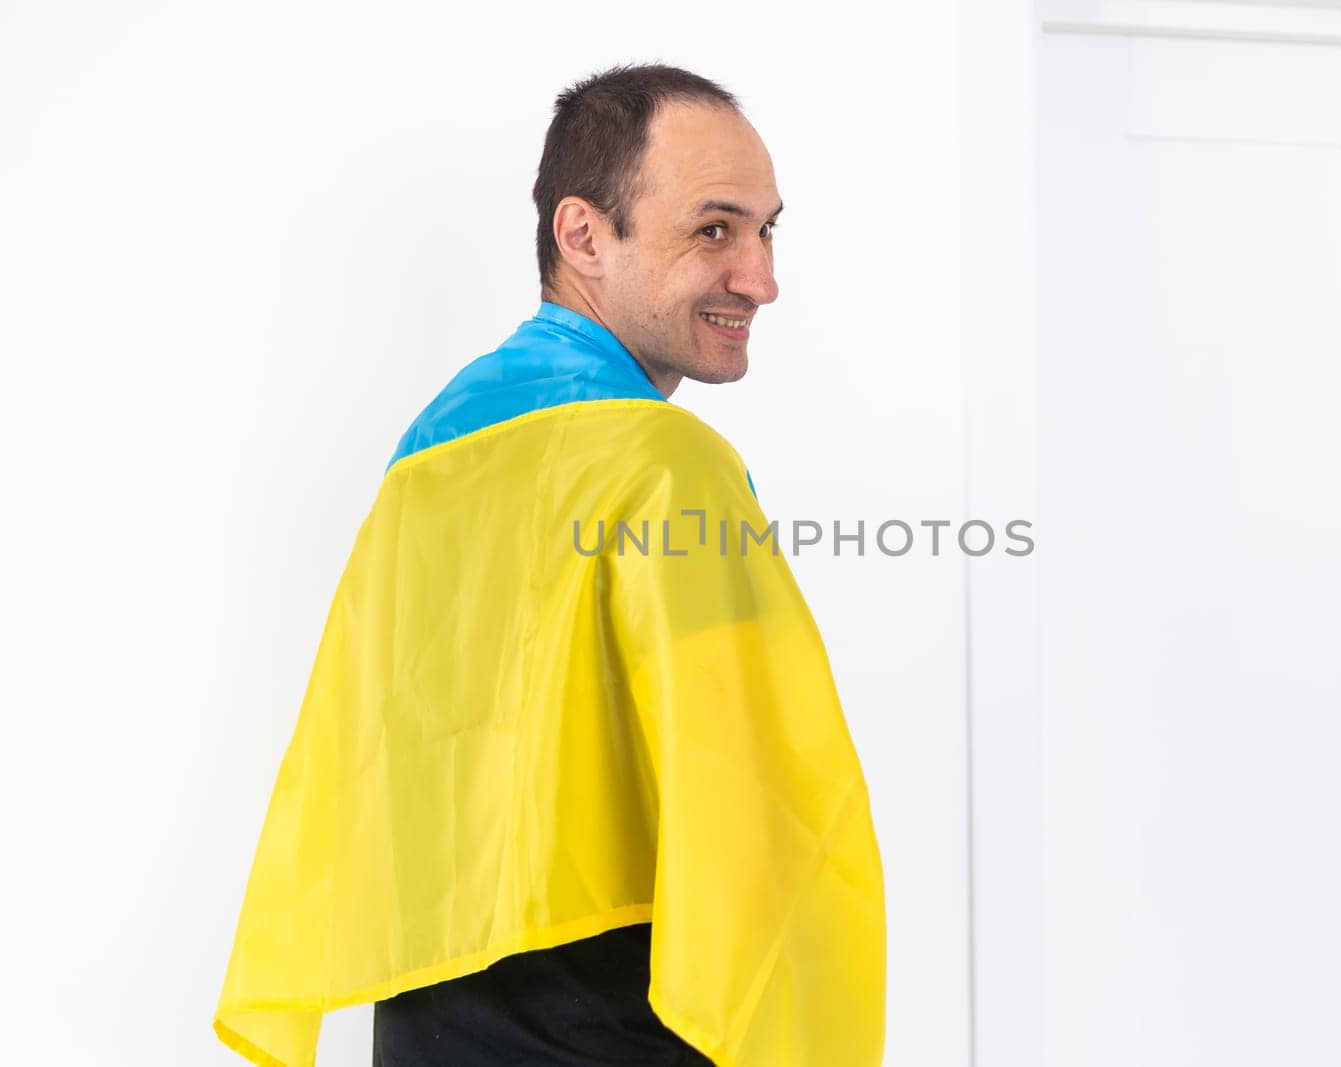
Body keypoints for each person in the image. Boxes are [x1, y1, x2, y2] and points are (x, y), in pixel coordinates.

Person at [212, 63, 887, 1067]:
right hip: (631, 1023)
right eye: (714, 229)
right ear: (581, 235)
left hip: (427, 1018)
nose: (759, 275)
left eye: (765, 228)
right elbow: (759, 797)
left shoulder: (429, 450)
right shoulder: (664, 464)